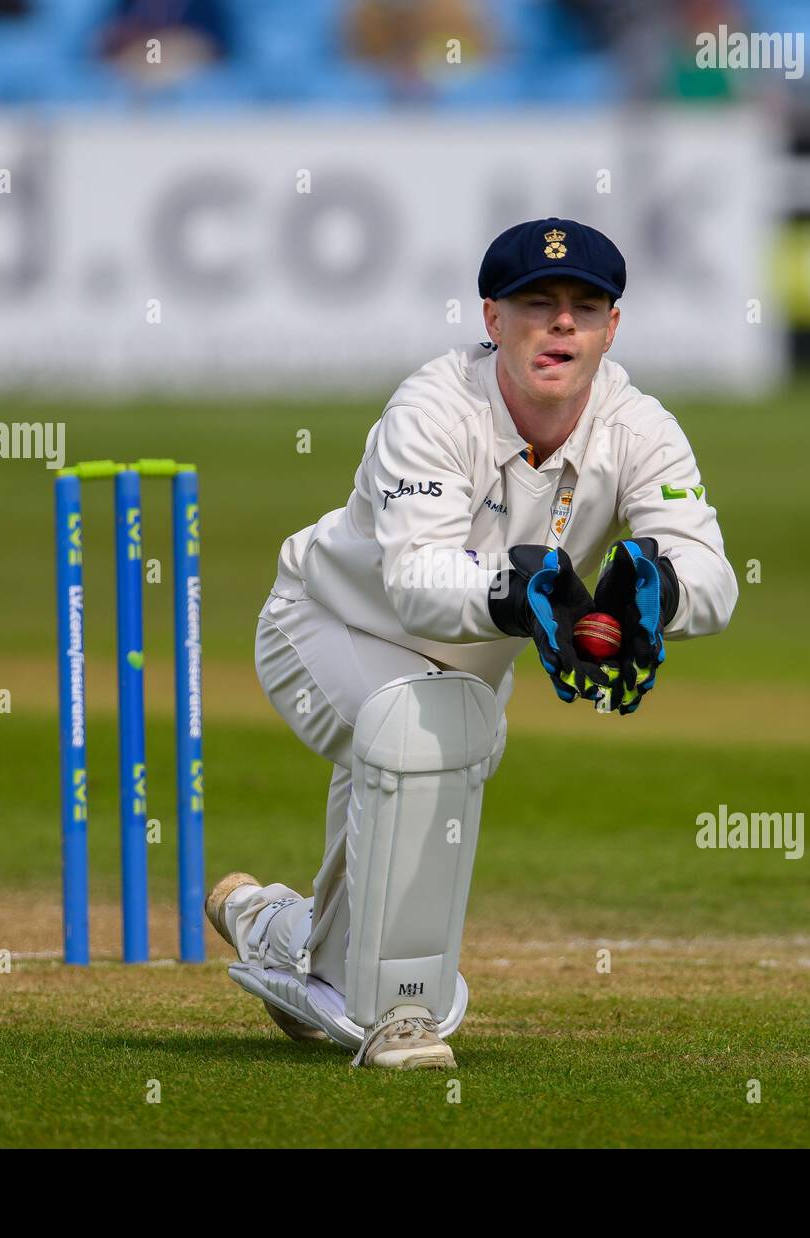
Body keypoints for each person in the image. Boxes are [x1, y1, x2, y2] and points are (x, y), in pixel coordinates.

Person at [208, 217, 737, 1069]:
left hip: (462, 674)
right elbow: (416, 583)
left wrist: (656, 594)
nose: (561, 324)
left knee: (432, 753)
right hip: (325, 624)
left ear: (612, 328)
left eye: (584, 307)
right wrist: (518, 593)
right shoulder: (433, 406)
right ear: (493, 319)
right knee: (429, 743)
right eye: (538, 303)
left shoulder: (639, 426)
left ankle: (273, 927)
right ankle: (400, 1019)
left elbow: (713, 572)